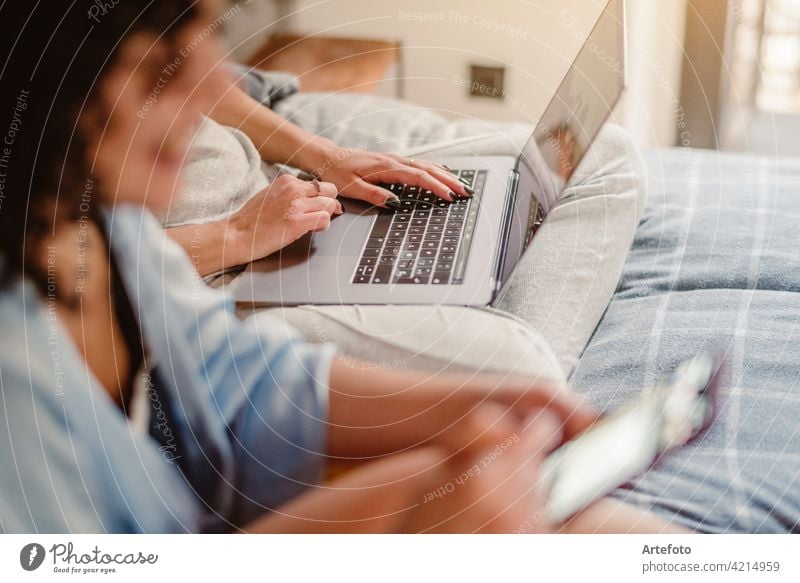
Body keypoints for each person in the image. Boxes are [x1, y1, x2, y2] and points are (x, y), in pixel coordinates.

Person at [0, 0, 679, 533]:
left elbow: (246, 383)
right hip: (243, 265)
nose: (215, 88)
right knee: (502, 442)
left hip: (280, 205)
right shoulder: (20, 380)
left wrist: (473, 404)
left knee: (599, 160)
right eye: (164, 73)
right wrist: (414, 530)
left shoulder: (116, 240)